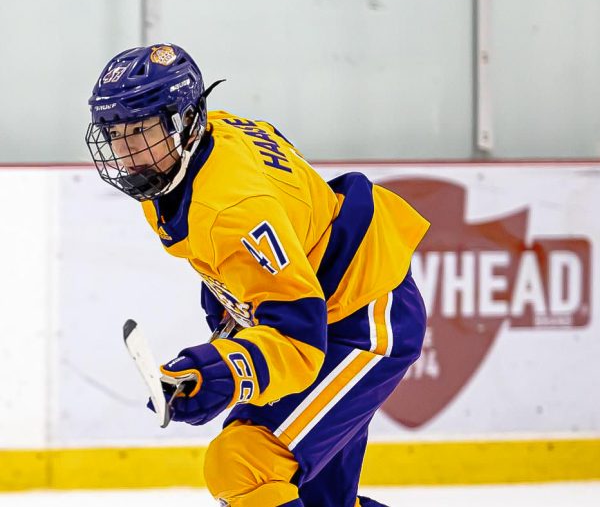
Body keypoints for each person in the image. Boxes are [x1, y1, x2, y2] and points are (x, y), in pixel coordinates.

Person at [86, 43, 430, 507]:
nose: (127, 153)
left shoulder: (233, 208)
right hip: (332, 300)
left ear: (186, 122)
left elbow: (299, 341)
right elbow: (261, 249)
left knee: (244, 462)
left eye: (141, 131)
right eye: (115, 134)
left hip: (362, 315)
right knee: (316, 498)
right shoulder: (202, 146)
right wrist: (226, 339)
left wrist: (221, 370)